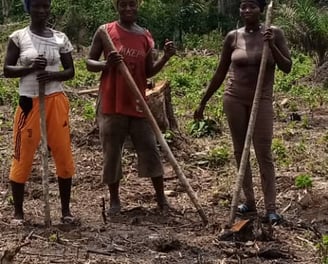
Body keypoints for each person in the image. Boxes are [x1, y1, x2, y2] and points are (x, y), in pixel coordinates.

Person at [194, 0, 292, 223]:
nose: (247, 11)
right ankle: (249, 202)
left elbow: (287, 67)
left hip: (261, 99)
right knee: (241, 151)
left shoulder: (273, 32)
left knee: (263, 152)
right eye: (243, 7)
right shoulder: (233, 37)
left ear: (261, 9)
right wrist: (203, 101)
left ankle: (271, 208)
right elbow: (220, 72)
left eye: (252, 7)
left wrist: (272, 46)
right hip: (234, 99)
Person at [86, 0, 176, 214]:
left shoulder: (144, 35)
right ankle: (115, 201)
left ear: (138, 6)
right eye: (123, 5)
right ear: (117, 7)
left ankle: (161, 199)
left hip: (137, 103)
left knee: (150, 148)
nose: (128, 9)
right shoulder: (105, 32)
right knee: (112, 152)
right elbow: (89, 63)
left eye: (132, 5)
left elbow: (149, 71)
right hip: (111, 101)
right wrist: (105, 64)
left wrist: (165, 57)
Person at [3, 0, 76, 224]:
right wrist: (31, 68)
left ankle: (65, 212)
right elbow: (7, 70)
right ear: (29, 8)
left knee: (63, 153)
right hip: (29, 102)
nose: (42, 11)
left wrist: (52, 75)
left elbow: (70, 71)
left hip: (55, 100)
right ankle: (18, 213)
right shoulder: (18, 37)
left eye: (45, 6)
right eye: (37, 6)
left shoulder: (60, 38)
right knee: (22, 153)